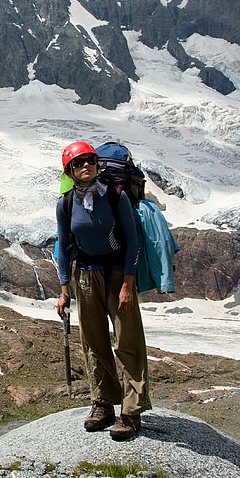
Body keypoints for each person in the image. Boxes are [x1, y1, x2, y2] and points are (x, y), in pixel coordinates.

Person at [55, 140, 151, 440]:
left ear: (98, 165)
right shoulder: (66, 203)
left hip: (117, 276)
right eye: (79, 163)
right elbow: (64, 246)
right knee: (93, 342)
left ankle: (131, 412)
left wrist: (128, 283)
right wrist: (63, 288)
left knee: (127, 341)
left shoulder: (116, 196)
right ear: (70, 171)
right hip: (85, 276)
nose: (86, 166)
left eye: (91, 161)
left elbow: (132, 242)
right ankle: (103, 403)